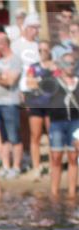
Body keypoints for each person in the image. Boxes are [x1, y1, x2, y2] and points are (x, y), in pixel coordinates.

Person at [0, 32, 23, 177]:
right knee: (3, 136)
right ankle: (6, 166)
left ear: (4, 44)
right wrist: (2, 76)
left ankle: (16, 167)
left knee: (15, 137)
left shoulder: (15, 60)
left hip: (11, 102)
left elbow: (11, 81)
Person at [23, 41, 57, 180]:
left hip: (51, 104)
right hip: (36, 103)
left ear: (49, 51)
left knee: (52, 136)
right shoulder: (33, 67)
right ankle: (37, 167)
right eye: (40, 50)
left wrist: (39, 82)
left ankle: (52, 166)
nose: (42, 52)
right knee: (35, 136)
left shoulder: (55, 66)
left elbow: (56, 85)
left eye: (45, 50)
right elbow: (29, 83)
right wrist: (44, 81)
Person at [47, 52, 79, 199]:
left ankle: (72, 192)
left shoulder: (77, 81)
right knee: (56, 157)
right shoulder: (54, 81)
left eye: (72, 63)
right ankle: (54, 193)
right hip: (57, 122)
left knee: (73, 157)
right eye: (66, 63)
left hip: (75, 122)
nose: (70, 66)